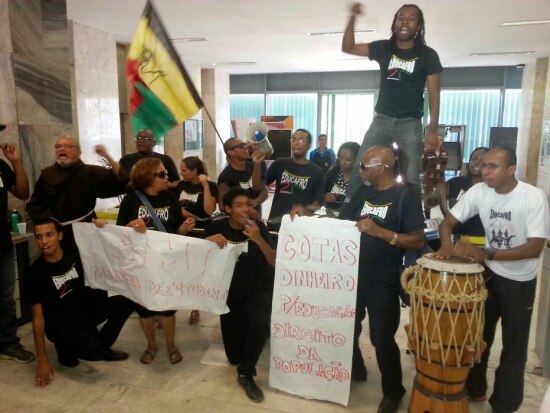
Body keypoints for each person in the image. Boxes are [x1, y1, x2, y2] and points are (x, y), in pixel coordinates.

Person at [435, 148, 550, 413]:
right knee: (477, 337)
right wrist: (446, 248)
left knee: (514, 346)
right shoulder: (478, 192)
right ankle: (475, 388)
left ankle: (504, 405)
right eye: (484, 165)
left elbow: (534, 248)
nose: (484, 171)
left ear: (511, 170)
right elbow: (446, 224)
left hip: (520, 282)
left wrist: (485, 253)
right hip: (488, 276)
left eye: (493, 166)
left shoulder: (533, 197)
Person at [339, 146, 425, 413]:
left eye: (364, 166)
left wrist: (381, 232)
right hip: (353, 274)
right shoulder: (363, 192)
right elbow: (341, 224)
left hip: (383, 279)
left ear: (383, 167)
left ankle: (393, 390)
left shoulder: (405, 195)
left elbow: (418, 238)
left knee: (381, 337)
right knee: (347, 327)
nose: (360, 171)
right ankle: (356, 367)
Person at [342, 3, 443, 191]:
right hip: (382, 121)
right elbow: (348, 47)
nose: (405, 22)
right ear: (394, 23)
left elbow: (434, 93)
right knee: (361, 168)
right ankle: (350, 212)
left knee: (410, 176)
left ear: (419, 26)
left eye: (411, 18)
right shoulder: (384, 49)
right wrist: (353, 17)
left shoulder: (428, 55)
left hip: (410, 123)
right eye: (401, 17)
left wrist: (432, 129)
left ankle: (410, 218)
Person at [24, 219, 133, 387]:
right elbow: (38, 319)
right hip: (60, 323)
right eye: (39, 237)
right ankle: (68, 346)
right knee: (82, 354)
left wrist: (104, 227)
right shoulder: (35, 273)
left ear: (60, 236)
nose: (44, 241)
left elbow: (102, 243)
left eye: (49, 235)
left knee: (125, 300)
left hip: (83, 310)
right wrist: (42, 361)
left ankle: (99, 345)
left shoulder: (73, 251)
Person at [116, 157, 195, 365]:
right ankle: (151, 345)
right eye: (161, 174)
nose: (166, 177)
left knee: (167, 308)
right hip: (141, 263)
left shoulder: (169, 197)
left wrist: (183, 230)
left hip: (166, 262)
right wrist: (131, 224)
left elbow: (176, 232)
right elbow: (119, 233)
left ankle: (171, 345)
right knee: (145, 309)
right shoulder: (131, 200)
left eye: (166, 173)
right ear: (147, 177)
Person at [204, 187, 276, 403]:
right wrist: (207, 242)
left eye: (247, 204)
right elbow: (196, 256)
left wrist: (258, 239)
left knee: (260, 324)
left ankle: (247, 373)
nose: (245, 209)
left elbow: (274, 260)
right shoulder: (216, 226)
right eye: (238, 205)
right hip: (228, 293)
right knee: (234, 356)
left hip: (257, 289)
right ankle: (244, 356)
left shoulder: (258, 227)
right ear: (226, 209)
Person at [26, 136, 128, 245]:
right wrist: (49, 223)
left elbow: (122, 181)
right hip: (58, 235)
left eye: (67, 146)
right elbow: (34, 205)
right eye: (58, 146)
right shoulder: (47, 174)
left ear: (79, 153)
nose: (61, 149)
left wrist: (106, 156)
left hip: (87, 230)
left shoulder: (90, 173)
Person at [0, 139, 34, 363]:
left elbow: (23, 193)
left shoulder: (1, 167)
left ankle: (7, 343)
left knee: (5, 298)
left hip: (1, 244)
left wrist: (16, 163)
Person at [173, 156, 217, 325]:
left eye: (184, 170)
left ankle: (195, 307)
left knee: (197, 271)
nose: (181, 173)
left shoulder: (210, 186)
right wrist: (181, 211)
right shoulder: (181, 186)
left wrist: (205, 185)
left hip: (201, 232)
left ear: (194, 172)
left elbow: (209, 210)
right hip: (183, 231)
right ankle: (171, 306)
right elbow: (173, 204)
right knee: (180, 270)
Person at [265, 129, 325, 221]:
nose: (296, 143)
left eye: (301, 140)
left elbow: (317, 204)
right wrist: (257, 164)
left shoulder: (317, 171)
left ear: (309, 145)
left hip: (300, 225)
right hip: (276, 222)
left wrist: (305, 209)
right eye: (293, 139)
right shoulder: (280, 163)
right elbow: (260, 187)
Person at [445, 146, 489, 242]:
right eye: (474, 159)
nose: (477, 162)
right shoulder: (455, 183)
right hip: (458, 240)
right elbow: (431, 201)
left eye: (482, 160)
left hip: (484, 242)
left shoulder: (493, 187)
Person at [217, 138, 267, 214]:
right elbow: (222, 206)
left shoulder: (253, 166)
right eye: (241, 146)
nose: (246, 147)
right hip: (238, 223)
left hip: (256, 218)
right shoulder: (225, 176)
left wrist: (256, 201)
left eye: (245, 145)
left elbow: (264, 191)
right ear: (230, 152)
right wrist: (246, 208)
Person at [324, 141, 360, 211]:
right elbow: (319, 193)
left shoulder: (359, 179)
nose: (343, 162)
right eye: (341, 158)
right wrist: (324, 197)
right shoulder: (333, 173)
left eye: (348, 159)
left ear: (356, 160)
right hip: (328, 214)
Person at [421, 135, 448, 218]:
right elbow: (423, 165)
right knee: (428, 197)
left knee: (442, 197)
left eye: (440, 139)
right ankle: (427, 218)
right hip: (429, 177)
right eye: (437, 139)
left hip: (440, 177)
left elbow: (445, 164)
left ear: (442, 142)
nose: (438, 141)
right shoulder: (427, 152)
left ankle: (446, 217)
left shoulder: (445, 152)